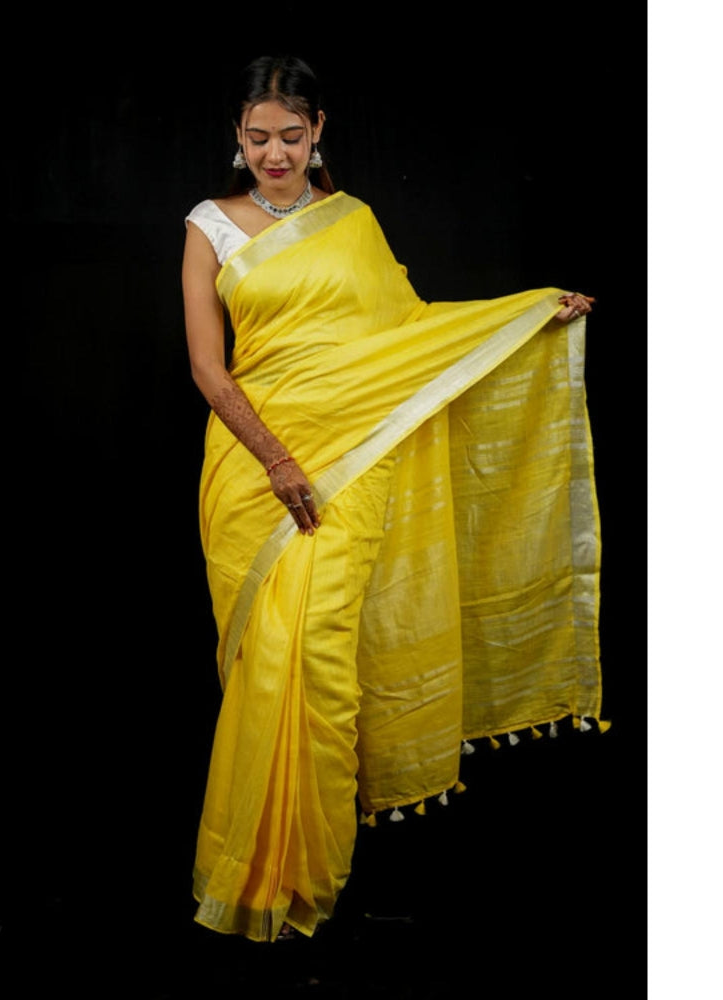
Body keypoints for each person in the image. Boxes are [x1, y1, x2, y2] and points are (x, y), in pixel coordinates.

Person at [181, 54, 602, 944]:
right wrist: (277, 460)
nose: (274, 154)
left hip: (355, 456)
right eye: (257, 138)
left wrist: (527, 315)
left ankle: (314, 871)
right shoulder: (210, 225)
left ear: (318, 131)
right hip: (258, 471)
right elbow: (210, 370)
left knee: (325, 654)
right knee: (274, 656)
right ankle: (258, 876)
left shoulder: (354, 221)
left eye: (290, 136)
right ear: (236, 139)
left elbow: (410, 330)